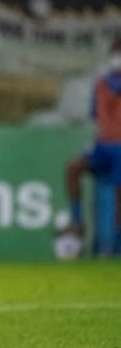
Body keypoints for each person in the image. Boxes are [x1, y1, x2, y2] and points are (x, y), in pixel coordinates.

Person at [62, 38, 121, 257]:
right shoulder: (101, 85)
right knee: (73, 168)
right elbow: (96, 116)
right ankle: (77, 222)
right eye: (115, 53)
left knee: (119, 194)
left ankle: (115, 244)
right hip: (102, 146)